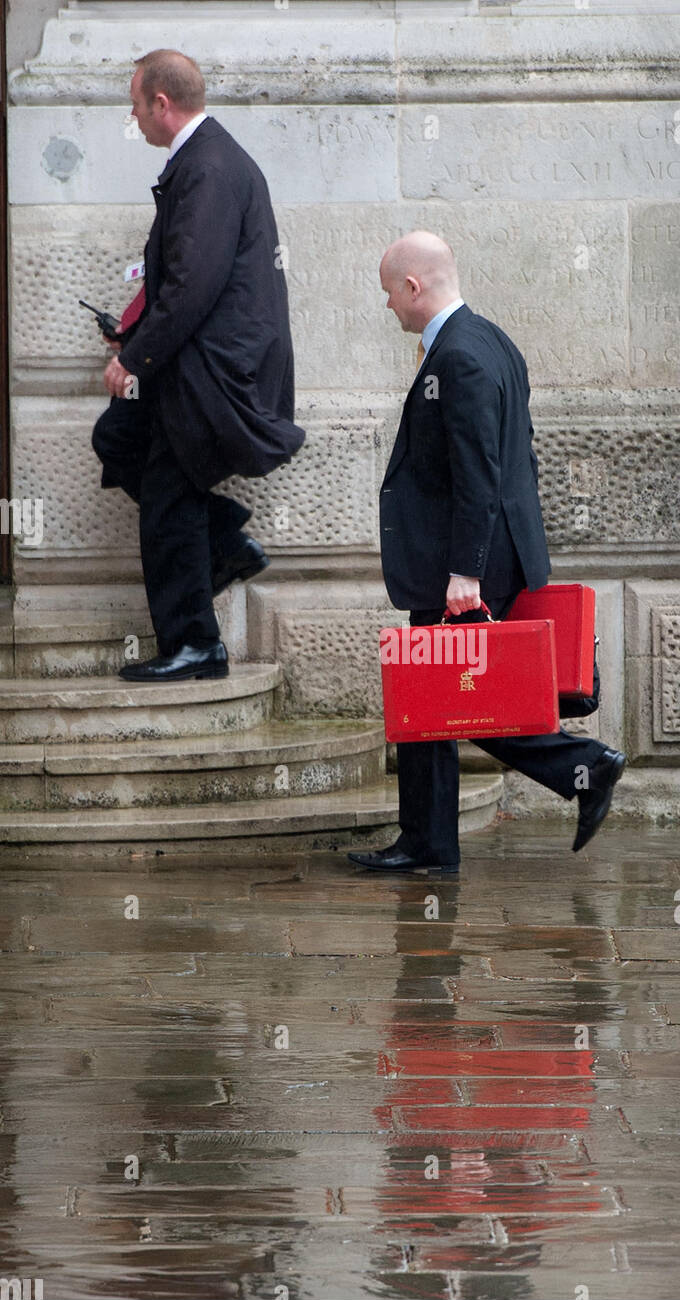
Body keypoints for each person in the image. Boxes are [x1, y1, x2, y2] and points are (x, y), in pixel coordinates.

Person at [348, 232, 626, 874]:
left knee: (450, 697)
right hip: (483, 553)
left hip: (467, 564)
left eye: (390, 292)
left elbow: (480, 471)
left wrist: (465, 571)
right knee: (428, 695)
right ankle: (427, 842)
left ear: (412, 287)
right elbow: (517, 454)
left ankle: (584, 766)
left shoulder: (461, 356)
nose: (388, 305)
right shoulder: (491, 339)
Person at [93, 49, 304, 682]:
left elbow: (194, 284)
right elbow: (185, 281)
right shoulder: (203, 160)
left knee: (167, 497)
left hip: (210, 371)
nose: (133, 116)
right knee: (118, 438)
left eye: (136, 103)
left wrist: (134, 358)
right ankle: (225, 543)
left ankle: (195, 645)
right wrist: (135, 333)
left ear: (162, 102)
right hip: (193, 365)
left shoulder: (208, 166)